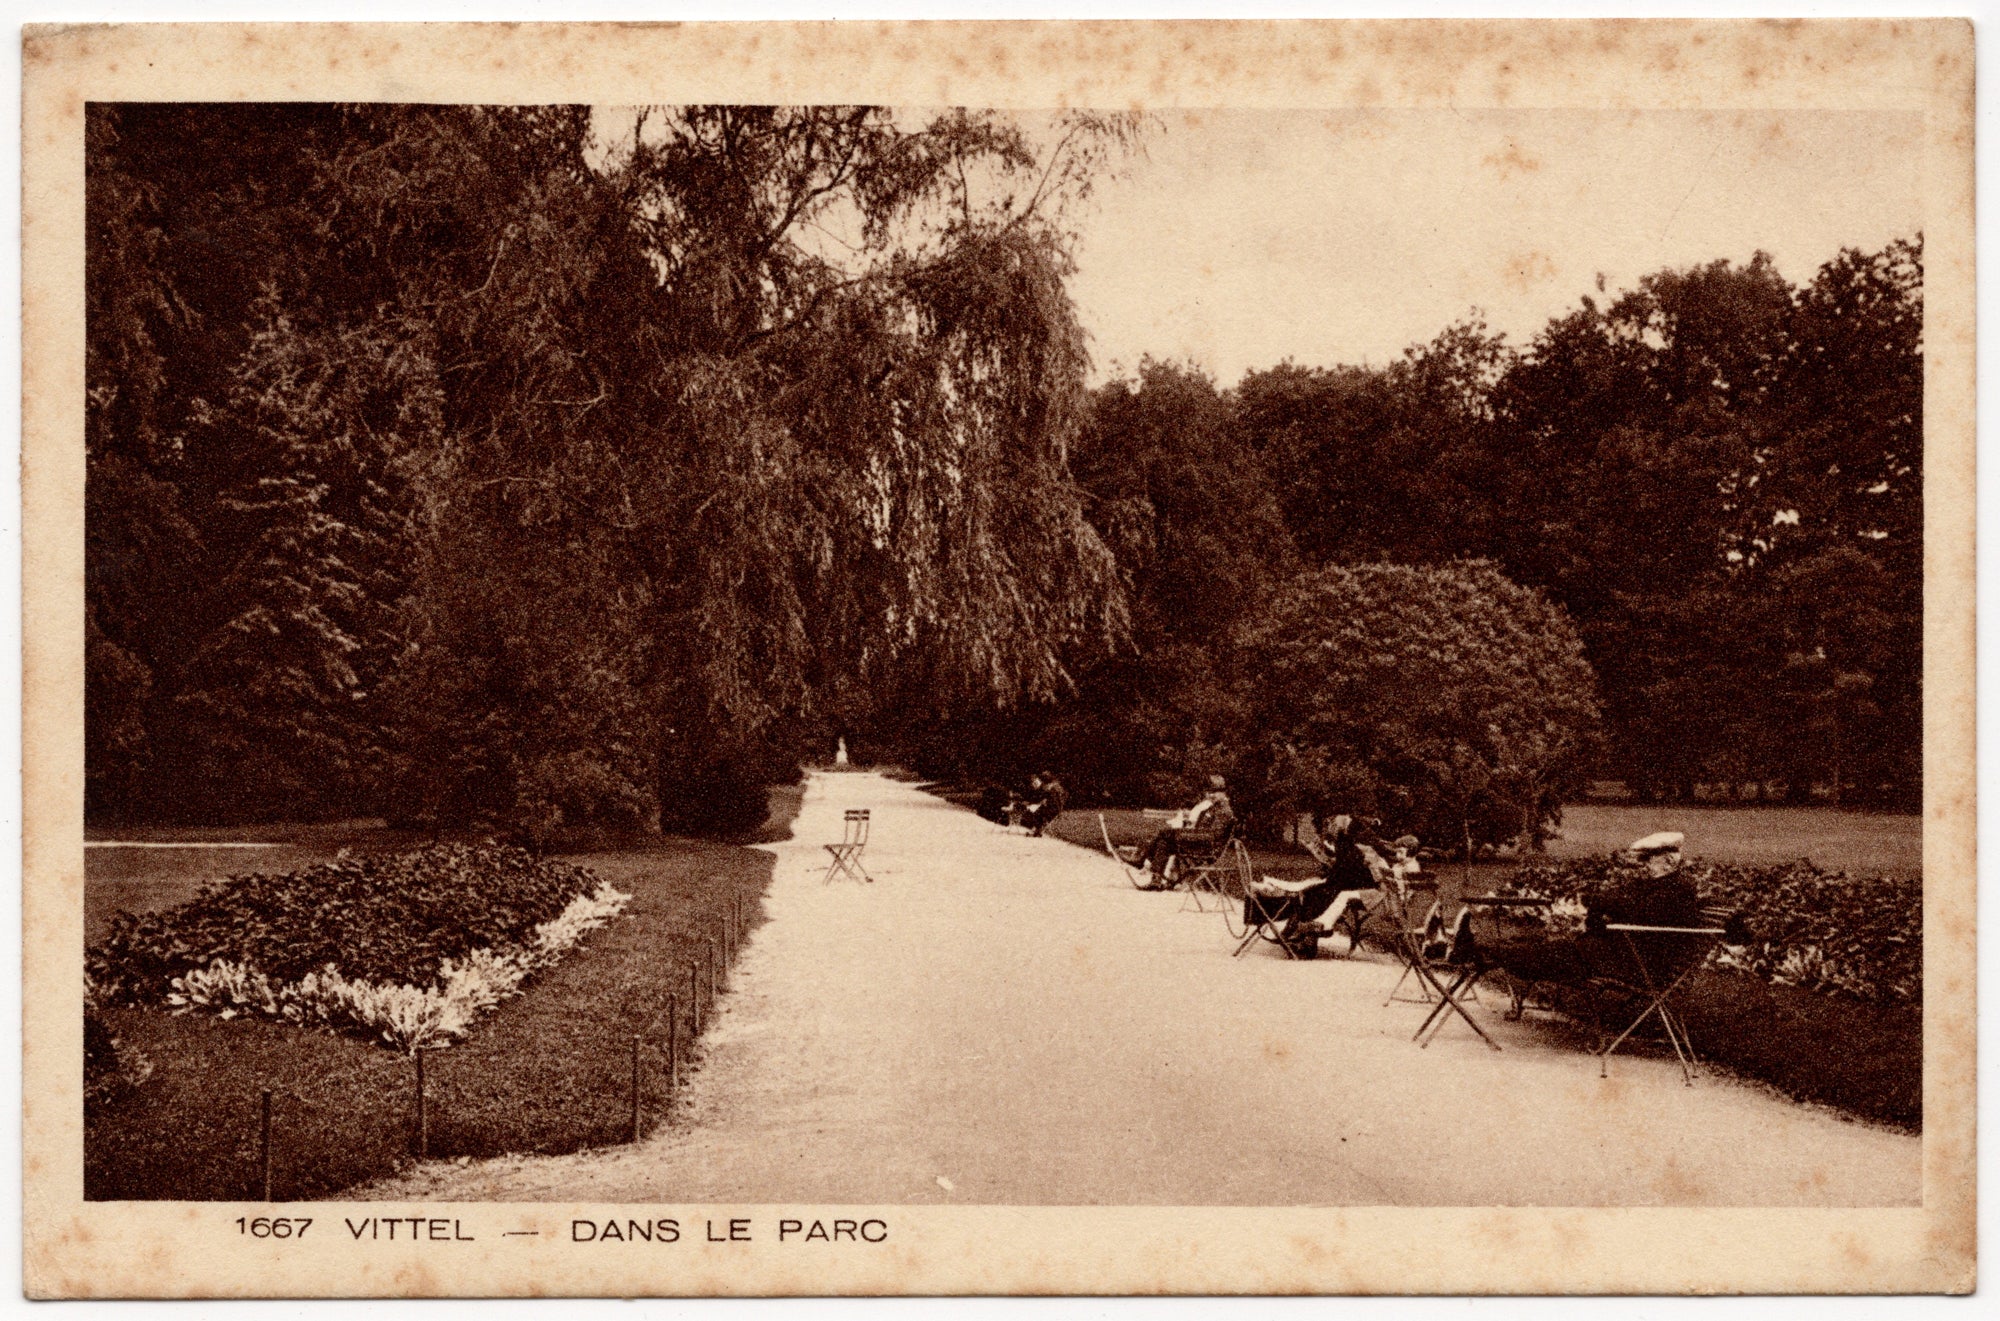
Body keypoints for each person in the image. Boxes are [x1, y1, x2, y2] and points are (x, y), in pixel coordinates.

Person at [1136, 775, 1235, 889]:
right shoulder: (1215, 807)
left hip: (1207, 850)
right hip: (1201, 844)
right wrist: (1186, 833)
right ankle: (1155, 880)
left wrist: (1183, 835)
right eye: (1209, 792)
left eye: (1214, 792)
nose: (1210, 795)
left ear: (1223, 793)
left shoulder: (1224, 811)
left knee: (1166, 834)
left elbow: (1212, 836)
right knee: (1164, 841)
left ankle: (1142, 861)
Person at [1022, 770, 1068, 836]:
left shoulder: (1050, 788)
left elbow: (1049, 800)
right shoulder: (1051, 787)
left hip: (1053, 808)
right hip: (1053, 807)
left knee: (1037, 813)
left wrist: (1041, 803)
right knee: (1037, 812)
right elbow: (1043, 799)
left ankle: (1037, 831)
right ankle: (1037, 831)